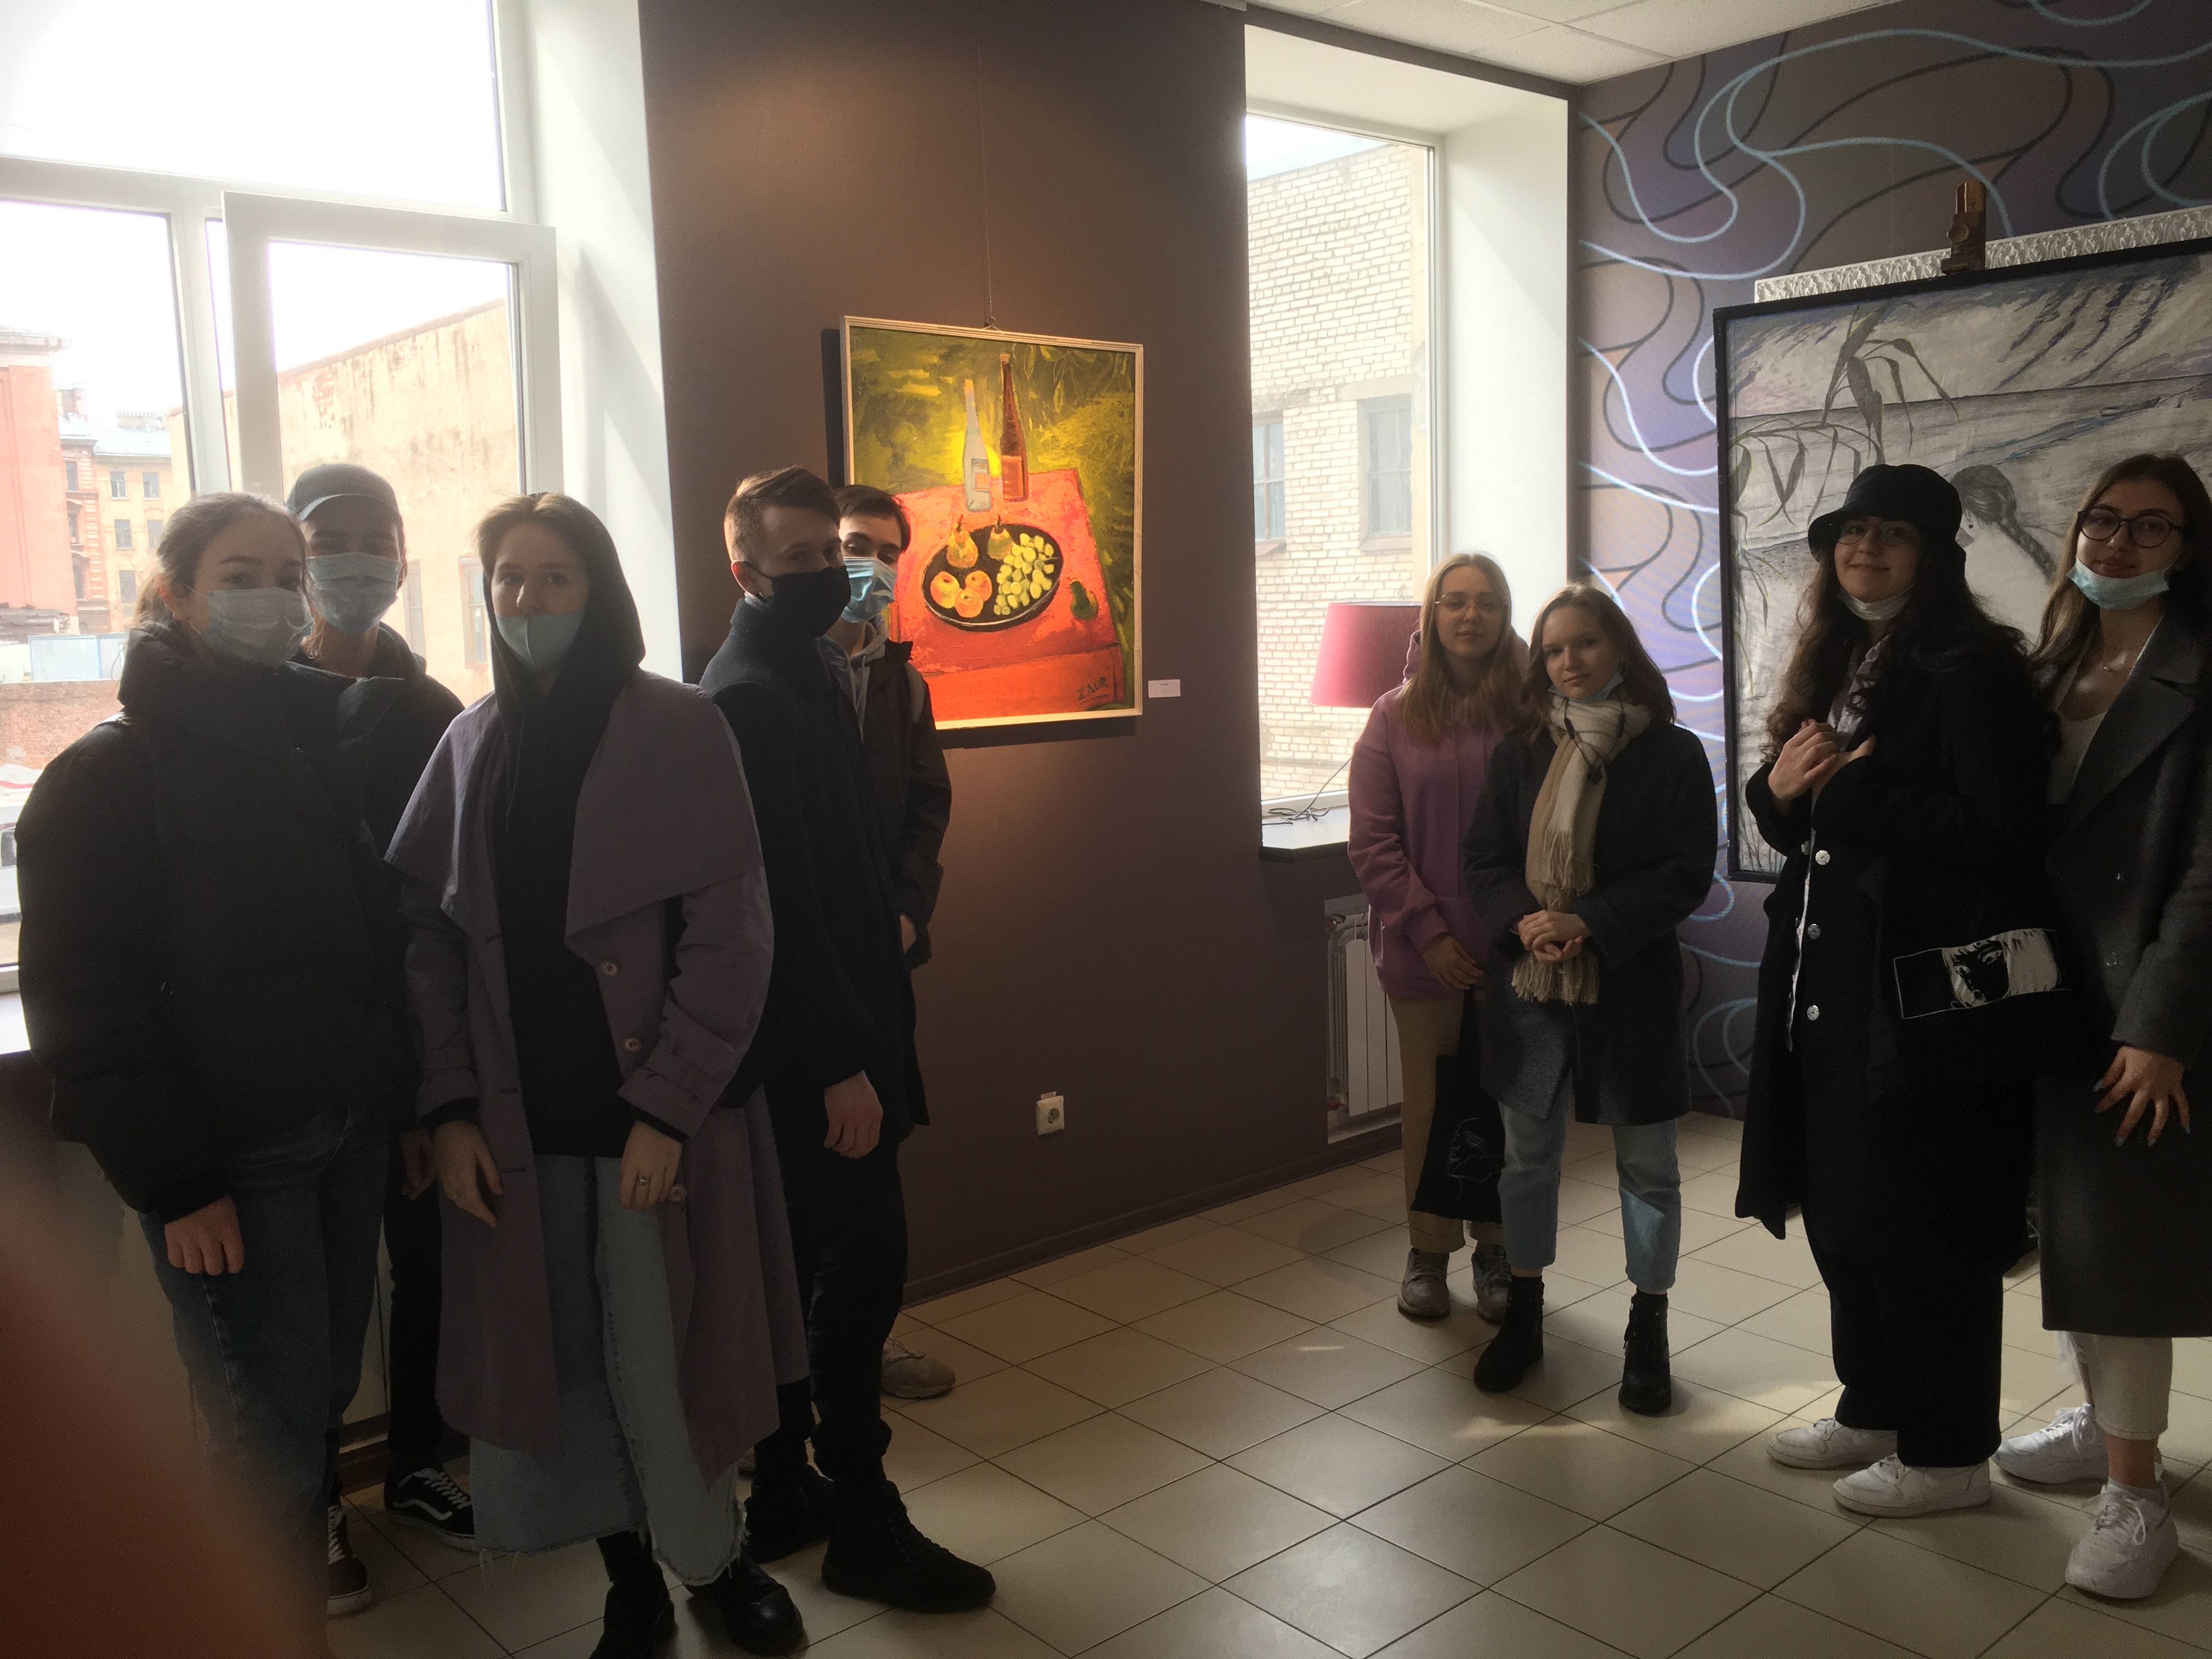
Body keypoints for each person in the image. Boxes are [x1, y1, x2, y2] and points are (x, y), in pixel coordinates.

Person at [387, 493, 808, 1657]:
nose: (527, 600)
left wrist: (668, 1110)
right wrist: (450, 1109)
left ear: (602, 591)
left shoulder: (681, 727)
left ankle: (718, 1564)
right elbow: (427, 943)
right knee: (569, 1373)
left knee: (672, 1365)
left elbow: (734, 939)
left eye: (555, 578)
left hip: (654, 1122)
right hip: (521, 1134)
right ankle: (632, 1582)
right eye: (508, 579)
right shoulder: (471, 743)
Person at [19, 492, 406, 1630]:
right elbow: (86, 1005)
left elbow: (371, 941)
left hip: (348, 1128)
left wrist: (397, 1099)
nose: (275, 597)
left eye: (288, 575)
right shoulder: (106, 778)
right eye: (241, 576)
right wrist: (177, 1184)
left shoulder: (321, 738)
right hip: (233, 1162)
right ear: (176, 595)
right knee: (260, 1440)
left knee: (318, 1395)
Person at [698, 466, 993, 1613]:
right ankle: (863, 1518)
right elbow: (778, 908)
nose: (831, 571)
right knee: (858, 1272)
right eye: (804, 558)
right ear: (747, 573)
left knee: (807, 1269)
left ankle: (785, 1491)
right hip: (821, 1053)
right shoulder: (752, 697)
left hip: (854, 1021)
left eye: (836, 551)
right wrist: (840, 1066)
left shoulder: (806, 673)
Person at [1737, 464, 2051, 1519]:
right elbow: (1801, 805)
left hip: (1922, 995)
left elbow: (2002, 835)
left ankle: (1950, 1450)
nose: (1864, 549)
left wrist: (1852, 792)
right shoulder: (1839, 657)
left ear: (1937, 555)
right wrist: (1780, 795)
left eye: (1893, 534)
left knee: (1927, 1221)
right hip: (1826, 983)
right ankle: (1874, 1404)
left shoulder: (1975, 673)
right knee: (1846, 1212)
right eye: (1851, 531)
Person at [1995, 453, 2212, 1598]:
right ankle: (2099, 1425)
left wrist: (2161, 1025)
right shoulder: (2052, 664)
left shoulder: (2201, 671)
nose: (2118, 542)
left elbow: (2210, 875)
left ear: (2189, 547)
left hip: (2142, 1003)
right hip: (2046, 991)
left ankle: (2138, 1498)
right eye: (2102, 519)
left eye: (2151, 526)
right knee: (2070, 1226)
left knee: (2121, 1244)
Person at [286, 463, 474, 1602]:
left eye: (377, 540)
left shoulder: (433, 709)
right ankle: (310, 1505)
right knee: (316, 1299)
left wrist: (431, 1087)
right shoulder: (260, 706)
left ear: (403, 558)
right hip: (311, 1055)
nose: (356, 561)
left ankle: (415, 1466)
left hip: (423, 1045)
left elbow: (450, 900)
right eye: (330, 541)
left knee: (433, 1270)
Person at [1460, 583, 1712, 1413]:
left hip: (1630, 987)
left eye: (1585, 645)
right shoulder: (1520, 751)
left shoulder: (1673, 754)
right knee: (1528, 1161)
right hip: (1529, 991)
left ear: (1619, 650)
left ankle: (1649, 1323)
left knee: (1649, 1168)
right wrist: (1525, 922)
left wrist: (1590, 921)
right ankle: (1525, 1312)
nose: (1567, 662)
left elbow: (1685, 873)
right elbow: (1485, 859)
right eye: (1553, 650)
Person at [1348, 553, 1524, 1323]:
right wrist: (1429, 934)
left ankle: (1497, 1250)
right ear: (1432, 614)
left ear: (1504, 616)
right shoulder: (1392, 716)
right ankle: (1428, 1252)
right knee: (1430, 1108)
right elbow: (1373, 843)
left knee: (1506, 1107)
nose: (1470, 615)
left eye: (1486, 602)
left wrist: (1519, 930)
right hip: (1423, 956)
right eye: (1455, 601)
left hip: (1515, 951)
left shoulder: (1531, 712)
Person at [830, 483, 957, 1402]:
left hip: (883, 962)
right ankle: (797, 1379)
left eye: (884, 551)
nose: (867, 565)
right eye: (852, 545)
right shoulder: (767, 681)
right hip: (800, 972)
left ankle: (869, 1345)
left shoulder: (903, 684)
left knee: (881, 1157)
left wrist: (911, 907)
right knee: (806, 1176)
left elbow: (927, 807)